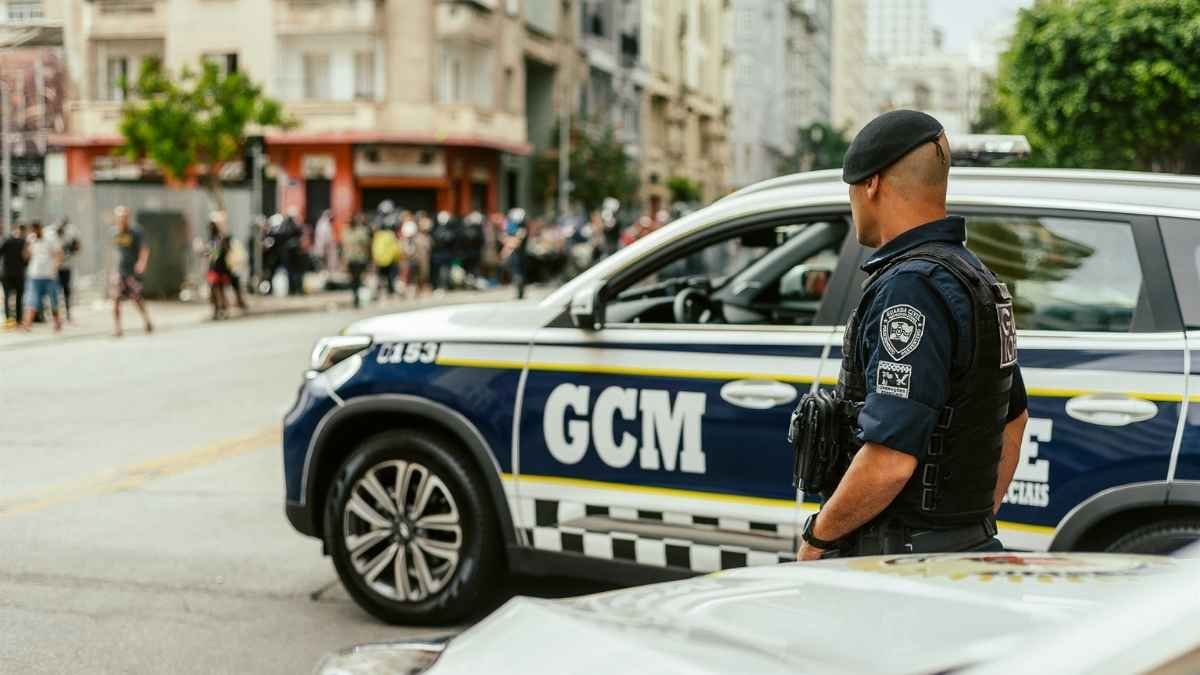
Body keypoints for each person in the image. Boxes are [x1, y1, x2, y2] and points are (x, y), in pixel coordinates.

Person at [793, 110, 1028, 560]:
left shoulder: (911, 286)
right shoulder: (977, 277)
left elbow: (889, 459)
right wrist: (966, 528)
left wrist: (816, 540)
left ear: (872, 184)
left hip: (898, 565)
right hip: (959, 553)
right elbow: (1012, 419)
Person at [112, 206, 153, 337]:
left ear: (128, 217)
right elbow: (114, 252)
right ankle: (118, 328)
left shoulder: (136, 231)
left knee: (136, 298)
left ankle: (147, 321)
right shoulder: (115, 232)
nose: (121, 219)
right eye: (119, 217)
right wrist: (112, 271)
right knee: (116, 298)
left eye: (124, 216)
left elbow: (144, 249)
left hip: (132, 272)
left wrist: (141, 263)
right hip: (120, 271)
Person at [21, 222, 63, 332]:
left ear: (40, 229)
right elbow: (26, 255)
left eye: (36, 230)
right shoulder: (31, 239)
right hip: (34, 275)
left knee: (53, 300)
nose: (35, 233)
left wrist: (55, 267)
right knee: (31, 300)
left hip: (49, 275)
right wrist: (27, 245)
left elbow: (59, 253)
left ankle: (57, 322)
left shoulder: (51, 238)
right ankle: (27, 324)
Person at [1, 223, 28, 327]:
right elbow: (26, 259)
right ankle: (19, 320)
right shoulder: (23, 242)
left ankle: (8, 319)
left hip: (6, 273)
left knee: (7, 296)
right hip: (19, 274)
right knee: (19, 297)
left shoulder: (7, 241)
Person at [206, 217, 233, 320]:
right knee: (218, 290)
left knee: (217, 290)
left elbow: (214, 254)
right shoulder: (218, 238)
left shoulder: (218, 239)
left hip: (218, 268)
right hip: (218, 268)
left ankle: (221, 310)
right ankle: (220, 310)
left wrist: (206, 251)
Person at [55, 219, 81, 321]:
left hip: (66, 267)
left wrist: (72, 248)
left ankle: (67, 313)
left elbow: (77, 247)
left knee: (66, 290)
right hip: (55, 268)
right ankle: (57, 314)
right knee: (56, 291)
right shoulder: (53, 238)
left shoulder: (69, 237)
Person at [344, 214, 371, 308]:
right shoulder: (346, 232)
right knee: (353, 280)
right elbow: (345, 248)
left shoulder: (361, 231)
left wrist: (368, 259)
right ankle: (355, 297)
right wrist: (343, 261)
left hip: (360, 259)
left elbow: (366, 246)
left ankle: (359, 297)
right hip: (350, 259)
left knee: (359, 279)